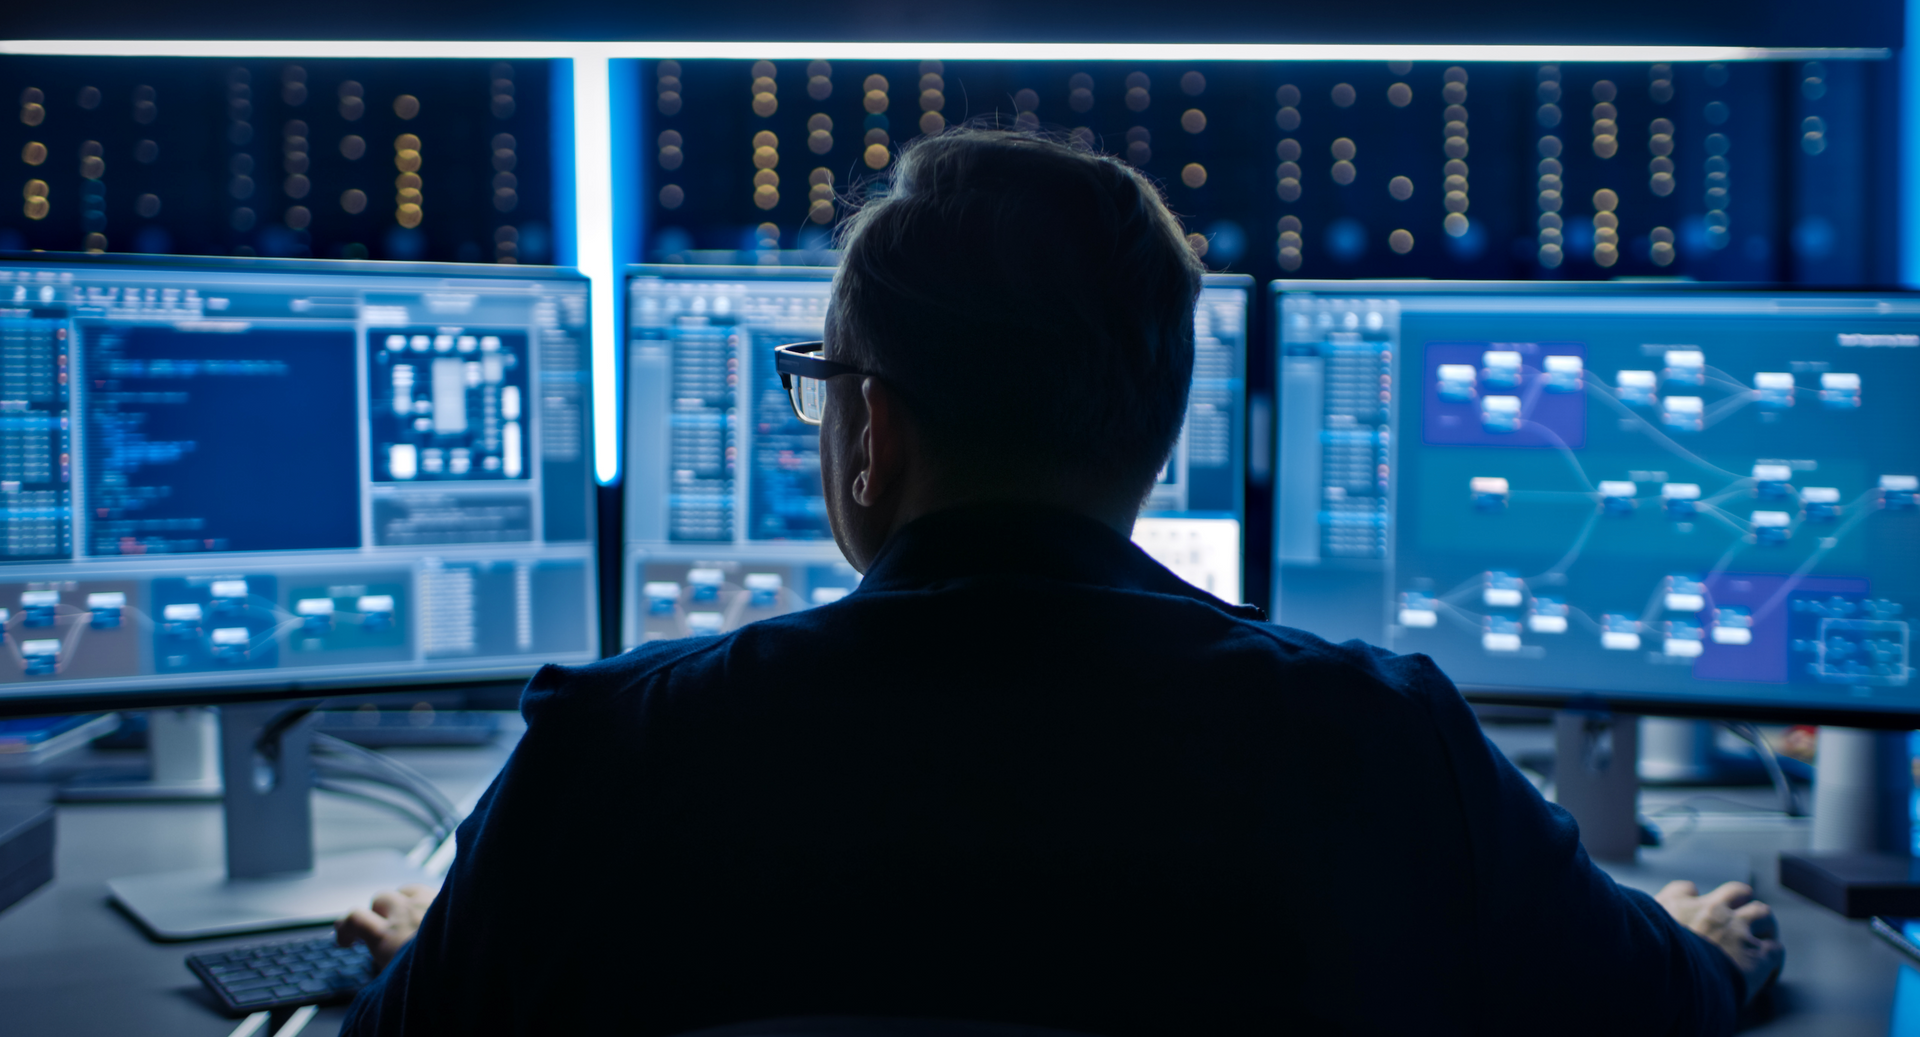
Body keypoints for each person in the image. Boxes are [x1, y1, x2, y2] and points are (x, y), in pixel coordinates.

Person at [337, 127, 1782, 1036]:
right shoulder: (1379, 751)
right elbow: (1649, 1008)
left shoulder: (614, 759)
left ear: (871, 430)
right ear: (1152, 433)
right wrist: (1708, 951)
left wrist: (434, 944)